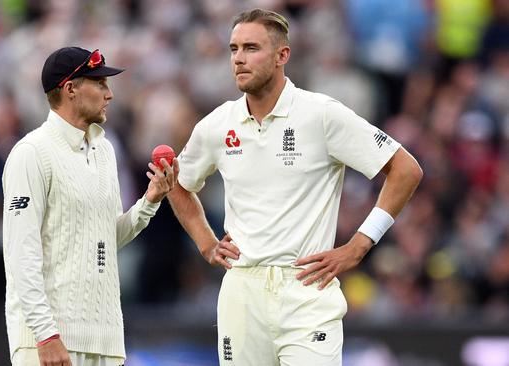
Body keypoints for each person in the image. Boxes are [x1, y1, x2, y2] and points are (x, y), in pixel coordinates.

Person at [168, 8, 423, 366]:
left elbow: (405, 169)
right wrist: (206, 243)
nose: (239, 58)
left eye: (251, 47)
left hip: (306, 288)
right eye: (233, 48)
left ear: (282, 55)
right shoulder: (216, 125)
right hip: (242, 291)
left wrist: (359, 245)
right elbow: (178, 184)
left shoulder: (321, 114)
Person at [2, 46, 177, 366]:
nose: (109, 94)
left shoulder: (105, 152)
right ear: (70, 89)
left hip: (104, 340)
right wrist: (45, 334)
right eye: (99, 83)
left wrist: (149, 201)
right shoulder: (31, 153)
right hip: (50, 341)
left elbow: (104, 241)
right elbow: (19, 254)